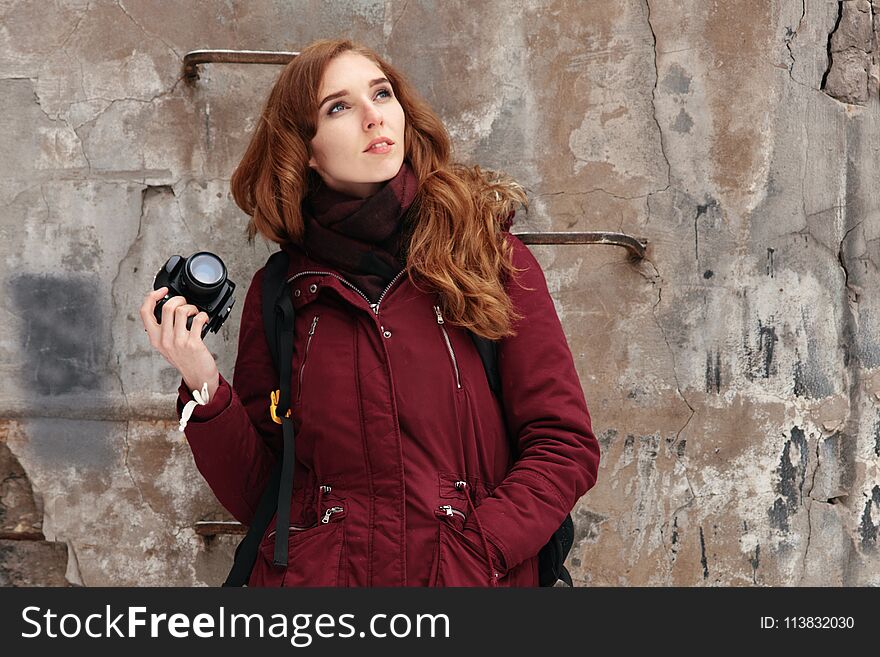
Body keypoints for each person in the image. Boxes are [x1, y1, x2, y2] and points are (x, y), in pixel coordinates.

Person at [139, 38, 600, 587]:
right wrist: (204, 384)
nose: (373, 116)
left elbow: (563, 444)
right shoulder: (282, 291)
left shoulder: (484, 255)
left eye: (381, 94)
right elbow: (266, 497)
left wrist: (477, 552)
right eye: (339, 107)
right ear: (305, 149)